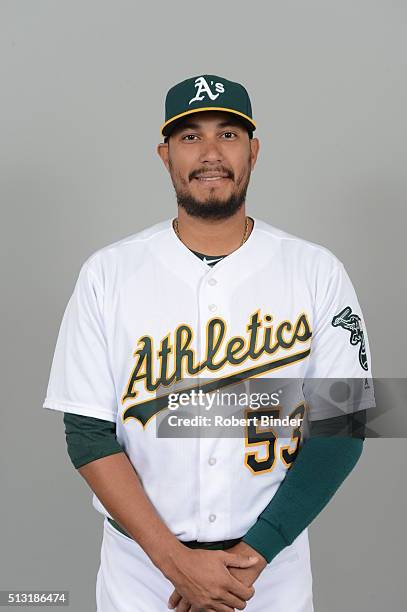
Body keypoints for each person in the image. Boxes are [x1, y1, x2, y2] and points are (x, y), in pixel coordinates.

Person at [43, 74, 376, 612]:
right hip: (143, 576)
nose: (211, 153)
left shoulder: (316, 271)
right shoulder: (107, 273)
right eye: (190, 137)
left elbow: (343, 426)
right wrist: (176, 564)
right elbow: (86, 433)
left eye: (228, 133)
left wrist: (253, 556)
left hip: (270, 575)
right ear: (165, 154)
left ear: (254, 150)